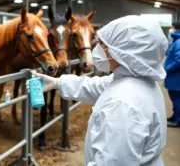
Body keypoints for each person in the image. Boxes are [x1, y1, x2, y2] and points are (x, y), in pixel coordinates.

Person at [28, 15, 168, 166]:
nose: (97, 49)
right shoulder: (138, 82)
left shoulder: (123, 106)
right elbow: (97, 86)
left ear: (123, 51)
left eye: (103, 44)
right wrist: (57, 82)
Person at [164, 21, 180, 127]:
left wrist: (168, 68)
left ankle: (178, 120)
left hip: (176, 77)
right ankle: (175, 116)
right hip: (175, 76)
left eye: (172, 27)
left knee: (177, 99)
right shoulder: (176, 40)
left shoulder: (179, 41)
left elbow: (179, 59)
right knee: (175, 99)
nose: (171, 30)